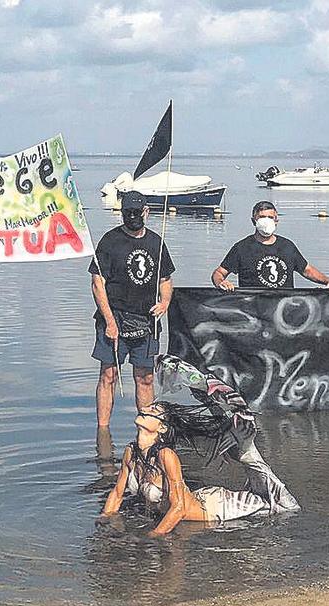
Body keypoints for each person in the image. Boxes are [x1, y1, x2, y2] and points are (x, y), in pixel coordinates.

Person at [99, 355, 298, 537]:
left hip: (217, 508)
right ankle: (242, 443)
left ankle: (245, 445)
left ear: (161, 428)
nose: (146, 408)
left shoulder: (166, 455)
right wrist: (106, 518)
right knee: (271, 496)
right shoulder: (131, 452)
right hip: (203, 499)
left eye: (153, 410)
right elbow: (117, 493)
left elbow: (180, 508)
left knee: (283, 506)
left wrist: (154, 536)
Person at [89, 190, 174, 428]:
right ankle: (103, 432)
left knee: (145, 377)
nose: (133, 217)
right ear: (122, 212)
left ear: (146, 212)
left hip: (146, 321)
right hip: (113, 316)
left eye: (137, 212)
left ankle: (146, 431)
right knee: (109, 375)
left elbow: (165, 280)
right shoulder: (110, 241)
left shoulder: (156, 242)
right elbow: (97, 283)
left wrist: (165, 302)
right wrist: (110, 322)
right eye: (129, 213)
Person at [212, 200, 329, 292]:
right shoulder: (241, 248)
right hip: (251, 307)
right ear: (253, 221)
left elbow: (307, 270)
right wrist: (221, 283)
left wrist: (328, 282)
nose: (266, 221)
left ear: (276, 221)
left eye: (270, 217)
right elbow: (219, 273)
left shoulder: (287, 246)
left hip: (283, 308)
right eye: (262, 217)